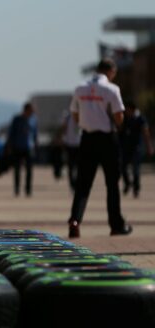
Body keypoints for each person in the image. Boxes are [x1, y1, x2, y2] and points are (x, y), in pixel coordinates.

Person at [67, 58, 132, 238]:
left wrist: (83, 122)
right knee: (112, 183)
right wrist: (117, 125)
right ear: (110, 71)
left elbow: (73, 112)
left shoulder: (80, 88)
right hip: (106, 139)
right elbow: (119, 116)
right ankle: (116, 224)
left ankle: (75, 220)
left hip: (87, 139)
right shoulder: (111, 89)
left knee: (83, 184)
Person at [120, 101, 154, 198]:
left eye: (127, 109)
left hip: (137, 147)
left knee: (136, 169)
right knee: (122, 167)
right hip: (126, 147)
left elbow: (146, 133)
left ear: (132, 109)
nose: (126, 111)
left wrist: (149, 146)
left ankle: (136, 189)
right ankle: (127, 183)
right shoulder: (125, 118)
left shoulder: (141, 118)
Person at [6, 103, 38, 196]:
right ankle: (16, 189)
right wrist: (9, 146)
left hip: (29, 148)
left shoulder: (34, 120)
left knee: (29, 170)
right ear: (26, 110)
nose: (32, 112)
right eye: (31, 110)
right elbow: (11, 133)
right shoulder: (17, 119)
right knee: (17, 169)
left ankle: (28, 190)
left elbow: (35, 134)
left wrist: (36, 145)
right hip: (17, 147)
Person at [59, 110, 81, 191]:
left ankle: (78, 183)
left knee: (79, 166)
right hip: (69, 144)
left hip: (79, 144)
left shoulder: (82, 114)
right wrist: (62, 139)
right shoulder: (67, 116)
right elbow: (64, 128)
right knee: (71, 166)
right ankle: (72, 185)